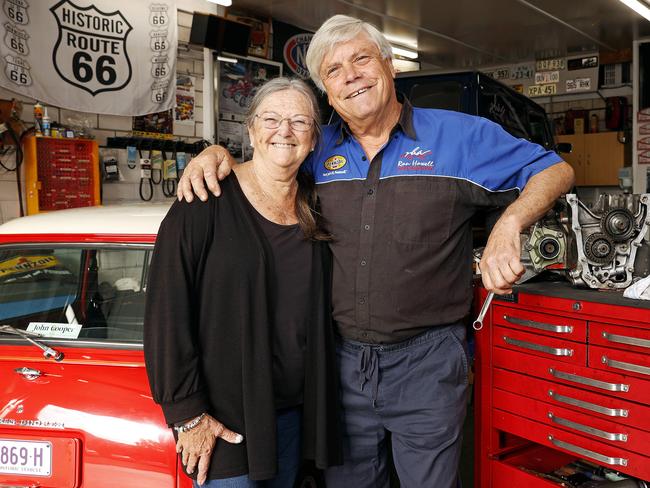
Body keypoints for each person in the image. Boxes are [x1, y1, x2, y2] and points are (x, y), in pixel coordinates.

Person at [177, 15, 575, 488]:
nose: (350, 75)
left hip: (427, 362)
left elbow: (554, 169)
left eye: (361, 58)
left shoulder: (460, 136)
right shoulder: (314, 147)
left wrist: (509, 223)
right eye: (334, 70)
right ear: (326, 90)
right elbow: (266, 161)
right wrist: (215, 154)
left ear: (389, 66)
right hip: (339, 365)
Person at [144, 77, 342, 488]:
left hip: (293, 417)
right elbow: (166, 312)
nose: (284, 131)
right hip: (225, 422)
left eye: (299, 121)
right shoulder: (205, 201)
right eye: (270, 119)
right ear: (250, 130)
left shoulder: (317, 205)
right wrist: (189, 416)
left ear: (313, 137)